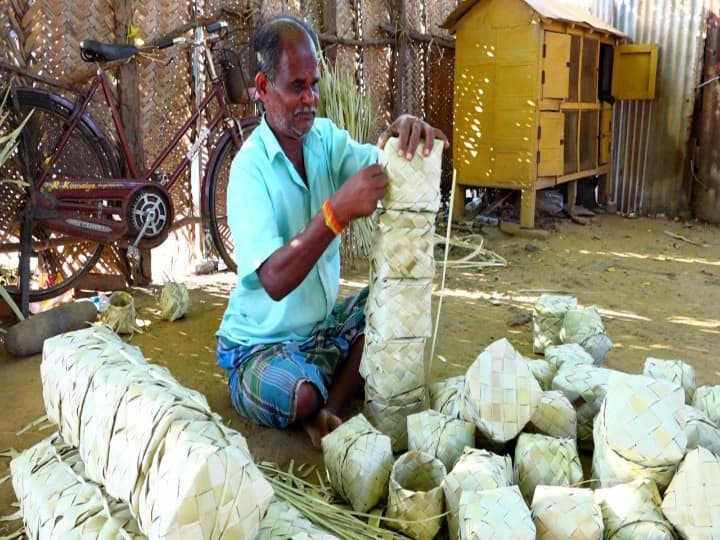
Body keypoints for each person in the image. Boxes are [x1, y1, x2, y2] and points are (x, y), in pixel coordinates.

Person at [216, 14, 449, 448]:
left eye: (314, 84)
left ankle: (331, 406)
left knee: (393, 304)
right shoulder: (248, 170)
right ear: (263, 88)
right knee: (297, 393)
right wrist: (335, 213)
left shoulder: (324, 139)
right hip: (262, 344)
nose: (310, 99)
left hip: (321, 329)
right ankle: (319, 395)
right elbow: (274, 279)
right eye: (296, 87)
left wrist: (403, 137)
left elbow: (381, 165)